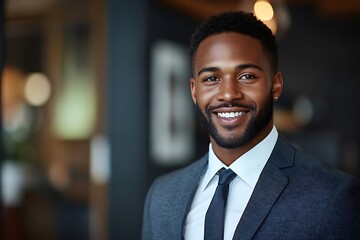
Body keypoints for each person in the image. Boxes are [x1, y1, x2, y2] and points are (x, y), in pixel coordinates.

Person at [142, 11, 360, 240]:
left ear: (275, 86)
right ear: (194, 91)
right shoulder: (161, 196)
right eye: (211, 79)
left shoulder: (335, 198)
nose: (228, 94)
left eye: (246, 76)